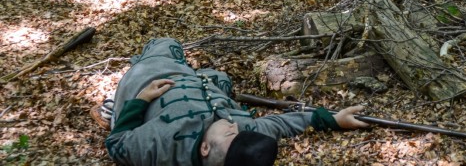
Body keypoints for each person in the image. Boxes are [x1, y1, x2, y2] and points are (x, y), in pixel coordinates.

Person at [104, 38, 369, 166]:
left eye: (231, 133)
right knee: (221, 78)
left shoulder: (159, 145)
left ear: (205, 149)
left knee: (165, 43)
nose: (235, 126)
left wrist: (139, 101)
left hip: (152, 78)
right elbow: (281, 124)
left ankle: (113, 103)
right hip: (202, 83)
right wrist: (332, 120)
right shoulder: (243, 135)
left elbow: (116, 144)